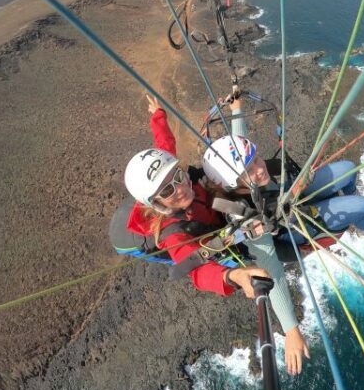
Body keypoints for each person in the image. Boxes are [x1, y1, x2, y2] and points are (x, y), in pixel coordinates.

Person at [121, 95, 310, 375]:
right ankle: (288, 323)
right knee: (267, 251)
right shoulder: (173, 234)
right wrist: (233, 276)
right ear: (157, 204)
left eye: (178, 176)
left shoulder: (179, 183)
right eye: (167, 191)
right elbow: (197, 271)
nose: (180, 187)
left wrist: (158, 115)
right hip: (207, 237)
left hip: (213, 212)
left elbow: (165, 146)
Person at [201, 95, 364, 246]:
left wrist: (237, 109)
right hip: (296, 222)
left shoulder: (236, 174)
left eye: (257, 159)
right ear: (232, 184)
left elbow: (239, 144)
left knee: (349, 168)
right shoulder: (240, 213)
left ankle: (348, 197)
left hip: (289, 191)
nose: (261, 168)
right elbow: (252, 236)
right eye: (249, 171)